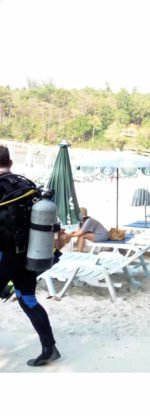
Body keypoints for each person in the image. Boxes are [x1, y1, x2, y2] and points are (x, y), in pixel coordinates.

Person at [0, 145, 61, 366]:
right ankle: (49, 348)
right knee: (28, 299)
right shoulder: (27, 185)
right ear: (11, 163)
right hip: (29, 254)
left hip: (5, 256)